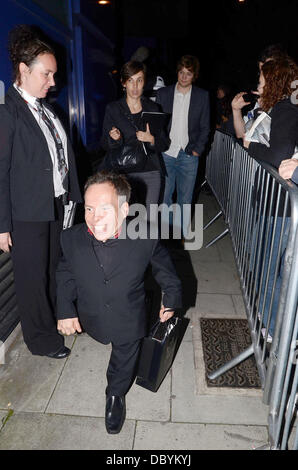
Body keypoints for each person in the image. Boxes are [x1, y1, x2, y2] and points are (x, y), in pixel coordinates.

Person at [55, 171, 182, 434]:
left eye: (104, 208)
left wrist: (171, 298)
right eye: (89, 208)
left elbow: (166, 272)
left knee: (125, 355)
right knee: (105, 334)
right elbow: (65, 272)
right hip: (91, 313)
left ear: (124, 210)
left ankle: (115, 394)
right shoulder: (71, 238)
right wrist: (65, 309)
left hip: (129, 314)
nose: (94, 217)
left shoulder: (146, 237)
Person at [0, 25, 82, 358]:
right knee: (32, 280)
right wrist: (2, 223)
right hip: (26, 213)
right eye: (46, 74)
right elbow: (0, 172)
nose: (53, 81)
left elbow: (61, 157)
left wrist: (74, 196)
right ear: (23, 70)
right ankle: (41, 340)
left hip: (54, 206)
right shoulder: (8, 114)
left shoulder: (47, 111)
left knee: (52, 271)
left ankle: (57, 321)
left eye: (54, 75)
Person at [243, 56, 298, 339]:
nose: (259, 85)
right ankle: (269, 323)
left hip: (280, 208)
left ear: (274, 82)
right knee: (264, 267)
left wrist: (252, 147)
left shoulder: (286, 110)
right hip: (272, 204)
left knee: (270, 271)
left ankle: (278, 333)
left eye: (262, 81)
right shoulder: (279, 109)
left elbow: (278, 156)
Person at [100, 60, 170, 210]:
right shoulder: (113, 109)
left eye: (139, 80)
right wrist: (115, 139)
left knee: (150, 222)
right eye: (130, 81)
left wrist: (151, 139)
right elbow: (104, 145)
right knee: (124, 221)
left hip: (150, 171)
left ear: (145, 82)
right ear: (123, 83)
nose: (135, 86)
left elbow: (164, 143)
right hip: (122, 173)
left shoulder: (154, 108)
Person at [156, 55, 210, 238]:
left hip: (188, 154)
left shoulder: (202, 96)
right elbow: (157, 124)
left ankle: (179, 236)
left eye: (188, 74)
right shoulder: (164, 94)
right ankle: (168, 235)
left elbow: (205, 127)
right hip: (167, 153)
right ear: (177, 72)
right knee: (164, 196)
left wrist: (197, 149)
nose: (184, 77)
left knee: (185, 199)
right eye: (181, 72)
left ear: (194, 75)